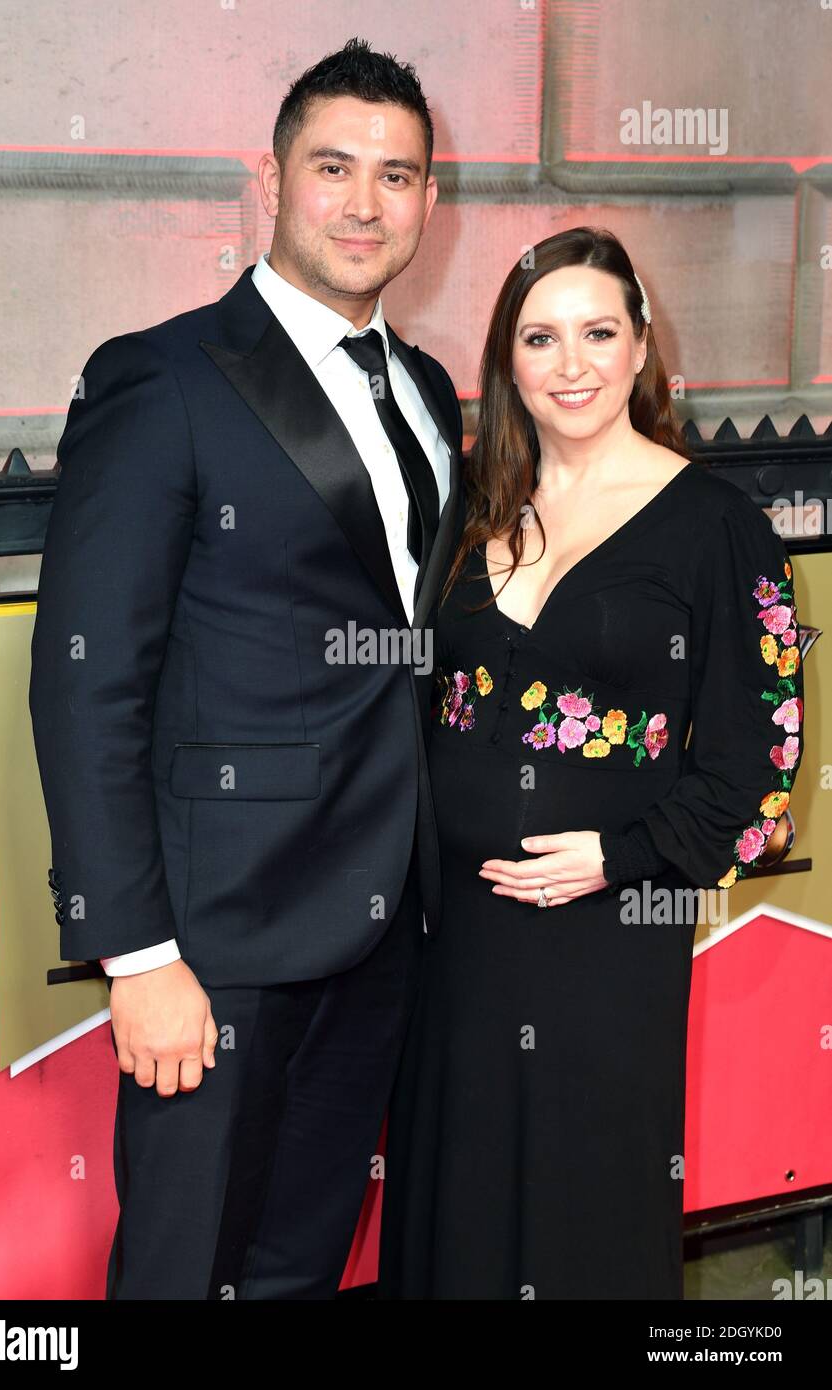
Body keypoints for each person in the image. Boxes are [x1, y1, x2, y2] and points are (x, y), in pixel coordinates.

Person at [29, 38, 465, 1299]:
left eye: (397, 175)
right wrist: (137, 954)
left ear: (430, 202)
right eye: (333, 167)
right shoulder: (158, 379)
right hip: (213, 940)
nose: (365, 203)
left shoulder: (431, 393)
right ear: (268, 183)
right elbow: (85, 680)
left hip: (383, 921)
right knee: (183, 1266)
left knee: (300, 1261)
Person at [376, 226, 805, 1300]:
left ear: (640, 342)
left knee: (582, 1210)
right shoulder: (473, 506)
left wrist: (617, 856)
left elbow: (761, 769)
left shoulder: (716, 524)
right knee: (454, 1205)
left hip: (604, 941)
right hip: (454, 940)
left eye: (597, 332)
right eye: (539, 337)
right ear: (505, 361)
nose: (570, 364)